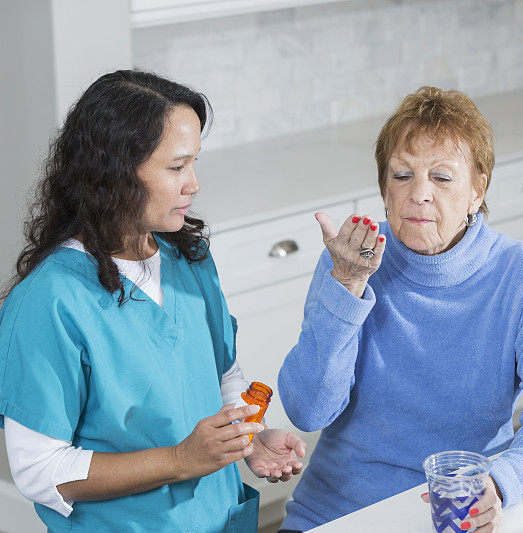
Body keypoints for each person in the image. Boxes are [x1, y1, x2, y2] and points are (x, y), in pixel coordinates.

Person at [0, 70, 305, 532]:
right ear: (116, 173)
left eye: (194, 163)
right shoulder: (49, 302)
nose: (194, 184)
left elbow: (221, 375)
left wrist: (249, 439)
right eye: (177, 167)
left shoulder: (189, 257)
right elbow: (40, 471)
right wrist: (180, 460)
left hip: (217, 519)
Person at [277, 86, 523, 532]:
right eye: (402, 175)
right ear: (384, 187)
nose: (419, 193)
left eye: (441, 177)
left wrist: (497, 483)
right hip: (340, 512)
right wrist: (347, 286)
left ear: (478, 189)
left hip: (456, 514)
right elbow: (308, 411)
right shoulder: (349, 260)